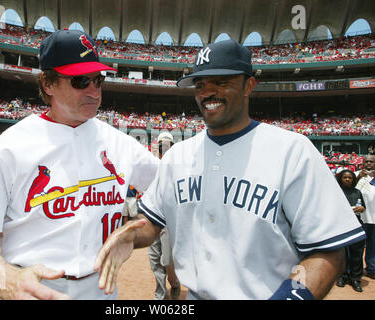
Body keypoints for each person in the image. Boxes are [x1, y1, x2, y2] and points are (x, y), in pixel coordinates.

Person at [95, 39, 366, 300]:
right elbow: (152, 222)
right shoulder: (178, 155)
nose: (207, 92)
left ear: (249, 85)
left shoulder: (293, 151)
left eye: (221, 82)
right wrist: (129, 234)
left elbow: (329, 253)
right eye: (200, 84)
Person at [0, 29, 159, 300]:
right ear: (48, 83)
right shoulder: (10, 146)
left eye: (98, 79)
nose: (93, 91)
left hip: (100, 288)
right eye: (81, 80)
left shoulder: (122, 144)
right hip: (32, 287)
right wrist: (5, 279)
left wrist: (138, 233)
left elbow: (169, 194)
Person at [148, 132, 180, 300]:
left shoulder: (178, 167)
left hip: (168, 220)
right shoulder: (152, 165)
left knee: (167, 260)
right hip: (151, 219)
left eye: (167, 145)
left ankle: (174, 283)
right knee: (154, 260)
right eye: (162, 145)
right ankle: (160, 295)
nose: (164, 149)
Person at [335, 170, 366, 292]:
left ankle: (355, 279)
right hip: (340, 226)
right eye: (344, 177)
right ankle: (342, 276)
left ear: (353, 179)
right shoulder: (336, 192)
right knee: (342, 253)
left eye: (349, 178)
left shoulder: (357, 192)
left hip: (356, 225)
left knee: (356, 253)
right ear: (340, 179)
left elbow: (363, 207)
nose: (347, 180)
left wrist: (361, 208)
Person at [355, 155, 375, 279]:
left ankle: (372, 269)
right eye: (366, 162)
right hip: (360, 218)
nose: (368, 164)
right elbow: (348, 188)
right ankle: (355, 271)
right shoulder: (357, 174)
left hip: (374, 218)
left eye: (371, 162)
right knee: (357, 246)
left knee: (373, 245)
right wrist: (358, 177)